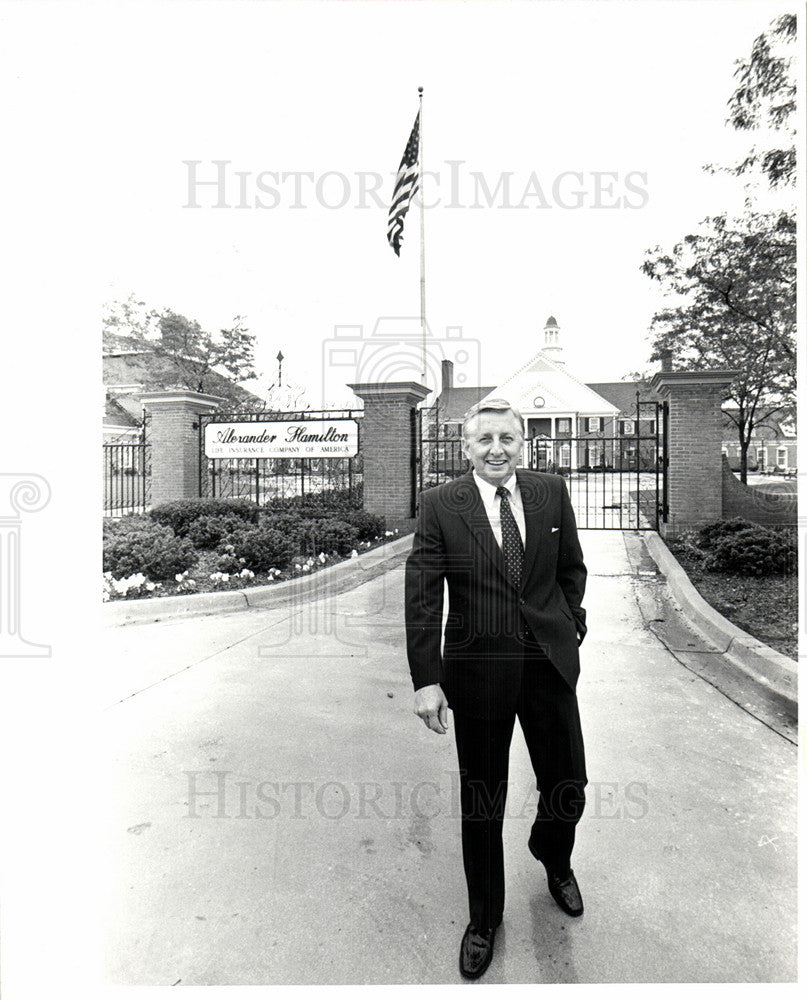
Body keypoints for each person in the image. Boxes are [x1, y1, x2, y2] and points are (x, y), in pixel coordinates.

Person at [404, 399, 588, 980]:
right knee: (483, 801)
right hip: (478, 670)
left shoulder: (551, 492)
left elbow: (570, 569)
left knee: (569, 782)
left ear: (523, 443)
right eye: (484, 439)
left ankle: (552, 854)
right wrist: (427, 677)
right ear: (466, 448)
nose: (496, 449)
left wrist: (570, 624)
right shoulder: (441, 505)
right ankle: (484, 917)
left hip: (546, 665)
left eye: (507, 438)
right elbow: (423, 593)